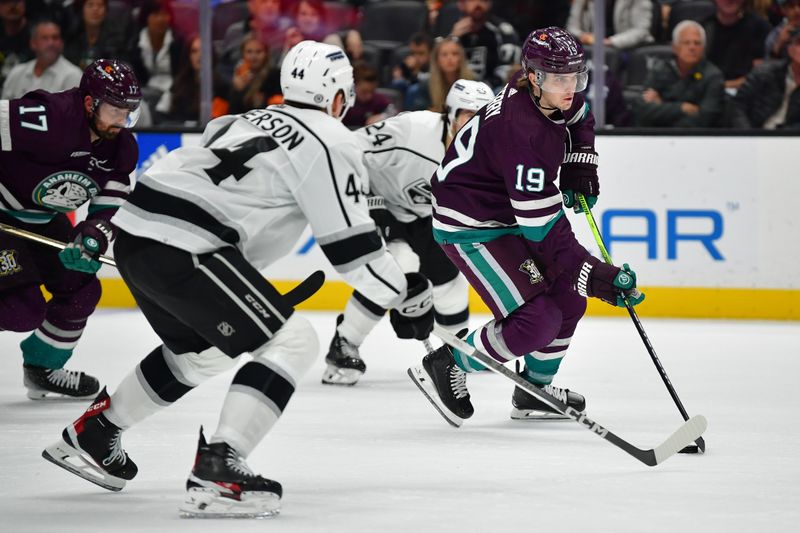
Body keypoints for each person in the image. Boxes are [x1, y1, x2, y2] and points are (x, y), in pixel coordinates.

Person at [41, 41, 434, 518]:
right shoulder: (332, 139)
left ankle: (96, 433)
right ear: (336, 97)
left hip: (136, 230)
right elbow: (354, 255)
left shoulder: (246, 118)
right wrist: (408, 292)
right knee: (293, 343)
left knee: (201, 352)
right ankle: (220, 466)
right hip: (189, 242)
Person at [407, 27, 645, 427]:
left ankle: (533, 390)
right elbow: (545, 234)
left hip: (507, 214)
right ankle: (448, 361)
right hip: (471, 225)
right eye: (559, 78)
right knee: (539, 320)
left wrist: (581, 159)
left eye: (575, 76)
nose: (570, 87)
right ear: (533, 77)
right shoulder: (523, 134)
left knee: (569, 301)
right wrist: (599, 277)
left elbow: (581, 115)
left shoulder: (552, 93)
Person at [323, 79, 494, 386]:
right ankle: (343, 343)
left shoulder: (489, 154)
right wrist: (367, 202)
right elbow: (349, 149)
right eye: (467, 115)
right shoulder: (413, 131)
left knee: (450, 283)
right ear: (450, 113)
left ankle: (452, 357)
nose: (474, 125)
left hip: (426, 215)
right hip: (380, 201)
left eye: (482, 116)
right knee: (397, 270)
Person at [0, 59, 140, 399]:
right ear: (90, 103)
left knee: (81, 290)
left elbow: (111, 205)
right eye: (116, 111)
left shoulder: (121, 148)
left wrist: (93, 235)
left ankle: (42, 367)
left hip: (45, 219)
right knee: (22, 310)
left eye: (129, 113)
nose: (122, 121)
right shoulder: (53, 116)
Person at [633, 20, 725, 127]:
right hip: (656, 139)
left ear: (703, 49)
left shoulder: (713, 76)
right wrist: (682, 107)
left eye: (697, 43)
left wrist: (662, 106)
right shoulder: (659, 70)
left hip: (696, 139)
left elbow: (705, 118)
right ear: (675, 48)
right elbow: (641, 109)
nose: (692, 47)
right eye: (686, 42)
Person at [730, 27, 800, 128]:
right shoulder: (765, 72)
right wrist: (748, 135)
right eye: (799, 43)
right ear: (790, 49)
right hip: (755, 133)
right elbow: (738, 105)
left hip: (791, 139)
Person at [2, 19, 81, 99]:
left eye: (55, 38)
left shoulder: (73, 75)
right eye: (45, 38)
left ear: (62, 43)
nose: (51, 43)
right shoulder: (17, 73)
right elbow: (3, 109)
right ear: (33, 43)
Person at [447, 0, 520, 88]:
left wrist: (483, 88)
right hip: (457, 87)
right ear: (461, 4)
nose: (478, 4)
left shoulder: (502, 30)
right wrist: (453, 38)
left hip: (492, 90)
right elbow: (437, 65)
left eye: (483, 0)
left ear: (489, 3)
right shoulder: (450, 28)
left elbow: (508, 68)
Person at [702, 0, 771, 91]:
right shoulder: (703, 28)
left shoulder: (759, 27)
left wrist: (727, 85)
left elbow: (760, 73)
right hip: (707, 90)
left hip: (745, 92)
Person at [411, 36, 475, 112]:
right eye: (444, 55)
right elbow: (420, 114)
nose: (450, 58)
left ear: (461, 58)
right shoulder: (426, 85)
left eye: (455, 54)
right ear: (437, 60)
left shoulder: (473, 82)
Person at [566, 0, 654, 50]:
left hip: (629, 49)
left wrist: (611, 41)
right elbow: (571, 26)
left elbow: (641, 30)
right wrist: (582, 35)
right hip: (593, 48)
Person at [342, 61, 396, 128]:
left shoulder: (378, 99)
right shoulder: (343, 102)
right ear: (353, 86)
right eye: (364, 92)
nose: (369, 96)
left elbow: (394, 112)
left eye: (372, 91)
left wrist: (383, 116)